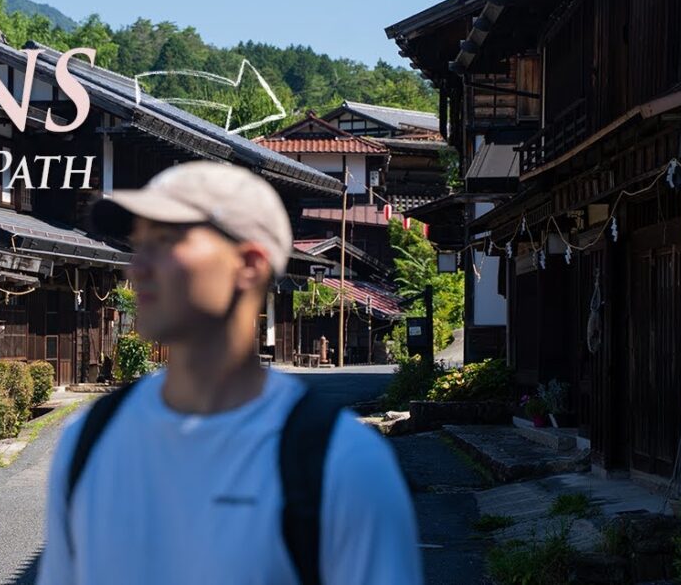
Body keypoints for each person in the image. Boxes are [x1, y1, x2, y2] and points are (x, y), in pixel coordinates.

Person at [35, 162, 422, 585]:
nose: (137, 268)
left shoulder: (341, 463)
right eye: (138, 245)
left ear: (249, 264)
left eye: (165, 242)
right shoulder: (87, 440)